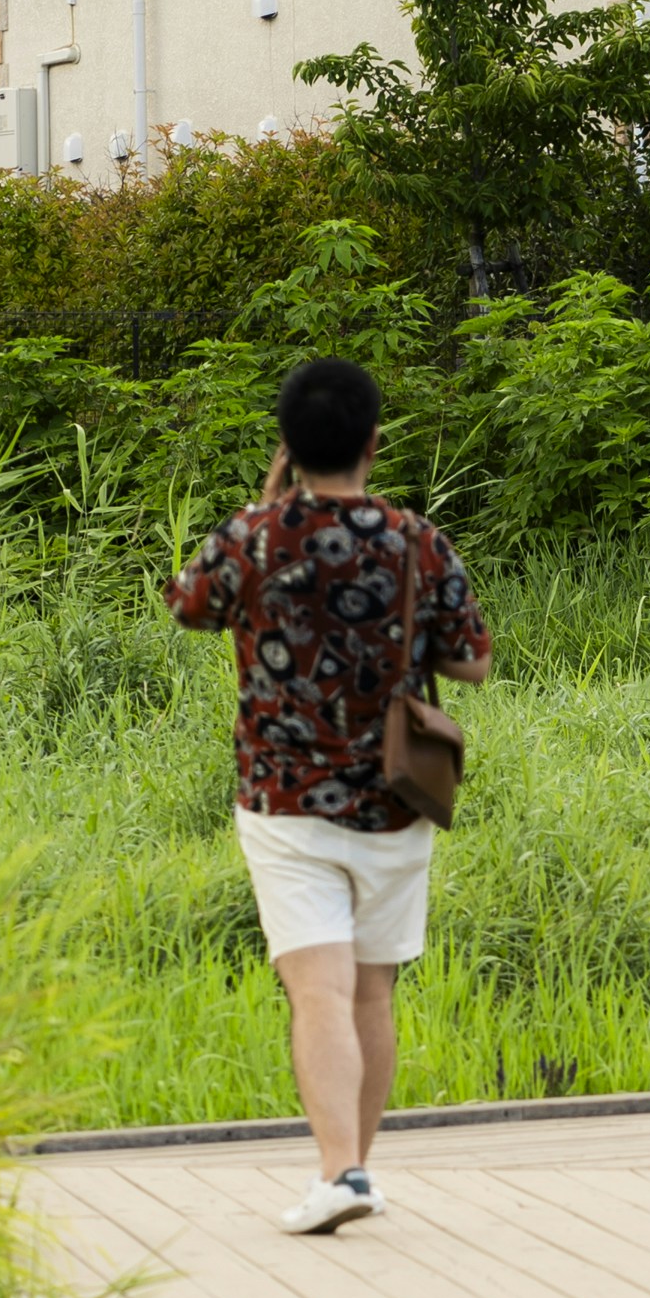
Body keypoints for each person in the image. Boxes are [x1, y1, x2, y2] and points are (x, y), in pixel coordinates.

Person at [164, 354, 492, 1236]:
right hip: (395, 795)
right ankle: (355, 1172)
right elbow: (474, 661)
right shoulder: (418, 540)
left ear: (286, 446)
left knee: (317, 990)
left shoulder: (252, 536)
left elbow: (189, 607)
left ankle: (340, 1173)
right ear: (374, 443)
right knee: (371, 993)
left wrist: (267, 506)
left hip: (283, 796)